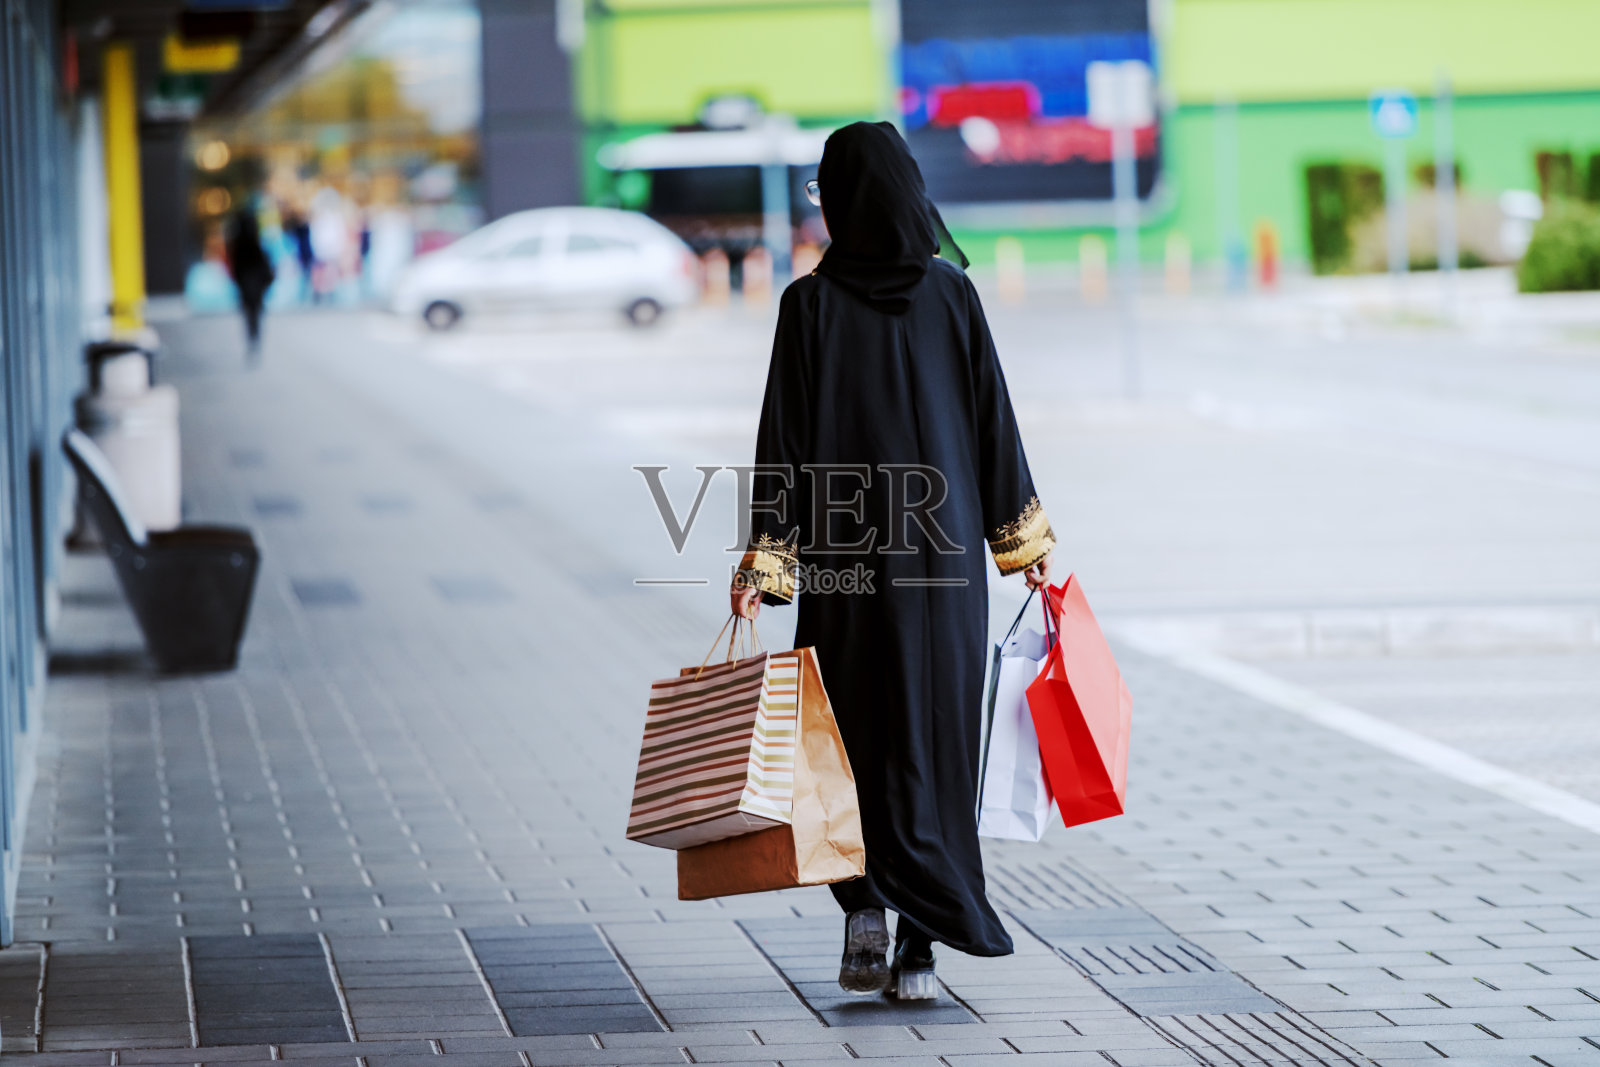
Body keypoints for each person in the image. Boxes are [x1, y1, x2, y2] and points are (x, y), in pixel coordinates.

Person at [729, 122, 1055, 1001]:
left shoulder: (810, 306)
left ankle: (864, 909)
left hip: (847, 576)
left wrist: (767, 563)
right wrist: (1022, 546)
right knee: (936, 742)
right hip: (944, 578)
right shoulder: (953, 297)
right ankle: (920, 946)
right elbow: (994, 426)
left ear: (840, 200)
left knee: (852, 737)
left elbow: (784, 447)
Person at [225, 208, 275, 359]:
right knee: (254, 311)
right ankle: (254, 336)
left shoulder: (240, 242)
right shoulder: (253, 241)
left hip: (248, 281)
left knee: (250, 311)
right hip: (253, 280)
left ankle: (253, 337)